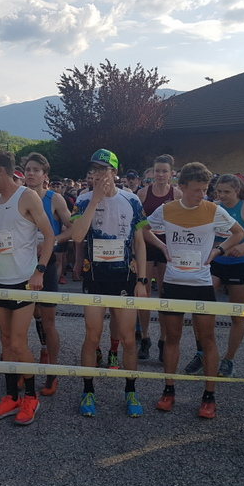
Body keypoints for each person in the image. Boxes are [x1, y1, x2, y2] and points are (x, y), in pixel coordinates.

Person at [143, 163, 244, 416]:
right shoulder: (166, 209)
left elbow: (239, 232)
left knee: (207, 340)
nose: (203, 195)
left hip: (201, 283)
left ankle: (209, 396)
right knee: (172, 338)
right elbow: (143, 229)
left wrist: (218, 251)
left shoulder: (213, 210)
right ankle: (168, 390)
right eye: (197, 190)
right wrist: (162, 247)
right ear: (182, 187)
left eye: (205, 189)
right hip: (174, 282)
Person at [70, 149, 148, 418]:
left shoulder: (131, 199)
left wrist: (142, 280)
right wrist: (95, 200)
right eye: (94, 169)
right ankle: (88, 390)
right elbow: (77, 236)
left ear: (114, 172)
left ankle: (131, 391)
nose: (98, 174)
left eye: (103, 169)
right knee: (92, 337)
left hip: (124, 278)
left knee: (128, 339)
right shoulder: (83, 200)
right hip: (94, 278)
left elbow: (140, 243)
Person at [0, 150, 55, 425]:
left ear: (1, 171)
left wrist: (40, 271)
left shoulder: (27, 196)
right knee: (5, 341)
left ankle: (31, 398)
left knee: (18, 342)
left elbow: (49, 236)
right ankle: (11, 396)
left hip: (24, 281)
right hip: (1, 279)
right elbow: (3, 240)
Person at [21, 152, 71, 395]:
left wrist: (53, 241)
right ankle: (22, 369)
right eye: (28, 169)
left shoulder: (54, 199)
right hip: (21, 266)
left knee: (49, 321)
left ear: (45, 176)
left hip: (46, 265)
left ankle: (52, 371)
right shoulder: (18, 196)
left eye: (36, 170)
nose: (31, 173)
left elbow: (72, 229)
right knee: (23, 321)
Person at [208, 174, 244, 378]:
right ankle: (203, 352)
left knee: (237, 314)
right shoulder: (213, 207)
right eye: (219, 191)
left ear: (237, 190)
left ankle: (228, 359)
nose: (222, 196)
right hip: (215, 263)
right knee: (204, 310)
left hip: (239, 263)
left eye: (226, 192)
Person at [135, 154, 182, 362]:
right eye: (157, 171)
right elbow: (138, 226)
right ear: (152, 173)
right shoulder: (143, 193)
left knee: (164, 293)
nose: (160, 175)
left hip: (167, 248)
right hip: (147, 246)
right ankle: (145, 337)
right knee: (143, 292)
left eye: (164, 171)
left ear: (171, 174)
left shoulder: (177, 194)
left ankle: (163, 339)